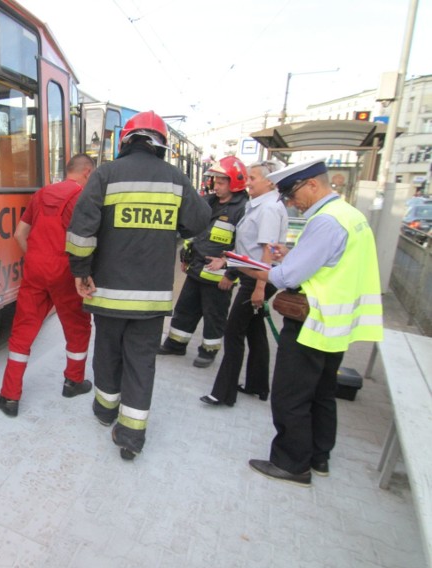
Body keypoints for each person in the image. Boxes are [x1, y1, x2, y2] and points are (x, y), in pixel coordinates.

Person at [66, 111, 210, 460]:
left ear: (126, 141)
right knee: (141, 362)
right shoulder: (175, 179)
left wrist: (81, 270)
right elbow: (200, 220)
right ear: (161, 146)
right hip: (152, 298)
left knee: (108, 352)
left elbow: (82, 229)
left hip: (109, 293)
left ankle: (104, 412)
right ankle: (131, 436)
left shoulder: (106, 174)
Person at [244, 158, 383, 487]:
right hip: (336, 323)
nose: (291, 203)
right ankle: (319, 456)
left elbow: (287, 277)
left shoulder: (325, 221)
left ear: (313, 185)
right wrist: (290, 252)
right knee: (322, 392)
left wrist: (245, 268)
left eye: (292, 195)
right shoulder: (349, 215)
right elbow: (333, 262)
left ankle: (292, 463)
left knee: (290, 396)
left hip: (312, 323)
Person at [0, 154, 96, 417]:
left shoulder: (41, 194)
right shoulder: (83, 197)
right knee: (77, 326)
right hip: (66, 271)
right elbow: (88, 239)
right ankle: (73, 382)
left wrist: (36, 257)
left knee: (23, 330)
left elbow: (19, 234)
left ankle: (10, 396)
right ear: (87, 172)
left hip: (35, 269)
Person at [199, 160, 288, 406]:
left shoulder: (269, 208)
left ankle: (223, 393)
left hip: (256, 278)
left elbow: (267, 249)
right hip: (254, 275)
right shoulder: (262, 205)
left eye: (253, 178)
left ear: (270, 181)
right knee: (254, 330)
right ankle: (258, 385)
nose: (247, 182)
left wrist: (259, 287)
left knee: (233, 332)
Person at [158, 157, 249, 368]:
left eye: (220, 183)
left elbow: (245, 246)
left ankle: (208, 351)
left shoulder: (242, 209)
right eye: (214, 182)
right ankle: (175, 344)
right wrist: (186, 258)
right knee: (185, 309)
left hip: (219, 277)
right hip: (196, 268)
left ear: (234, 183)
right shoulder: (208, 202)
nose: (215, 186)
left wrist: (230, 271)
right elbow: (194, 233)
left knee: (214, 315)